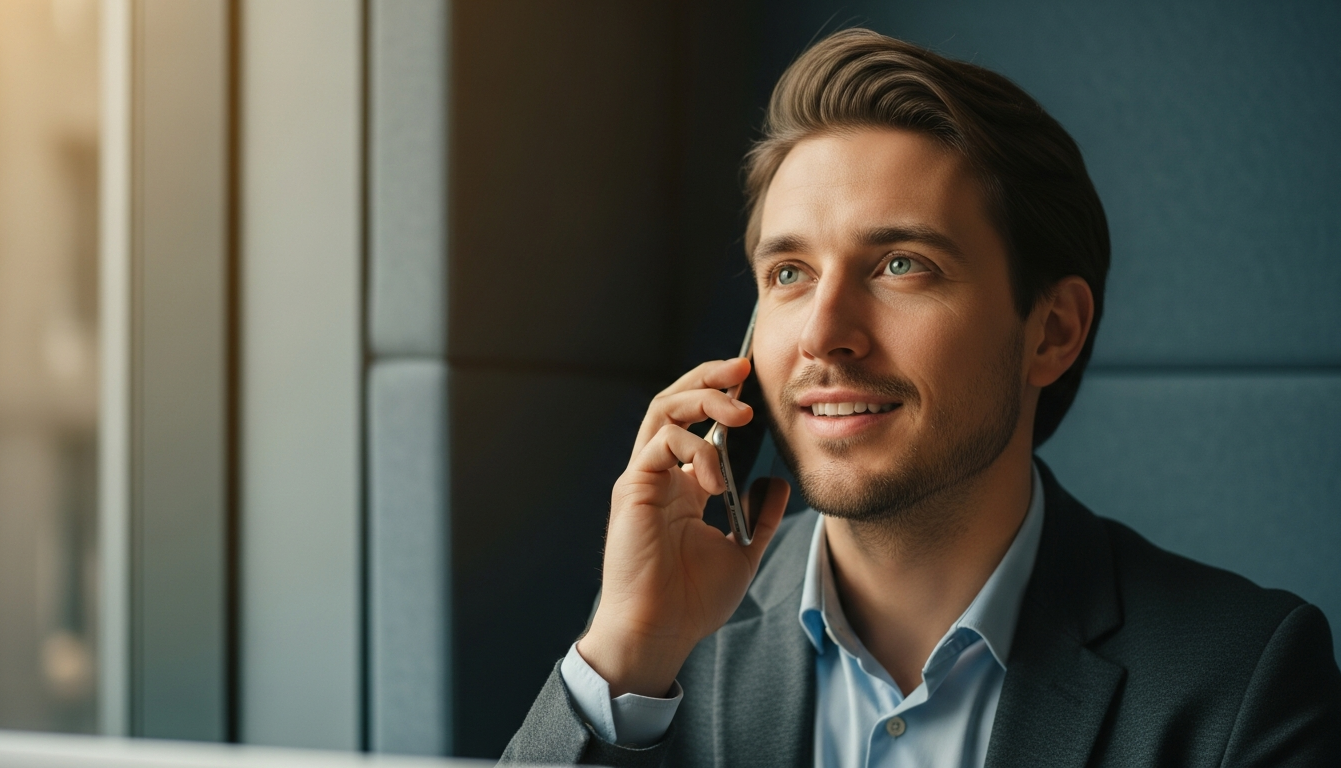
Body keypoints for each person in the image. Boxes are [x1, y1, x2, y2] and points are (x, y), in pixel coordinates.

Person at [499, 29, 1341, 767]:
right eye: (788, 274)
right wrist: (625, 655)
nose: (824, 332)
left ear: (1050, 332)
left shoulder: (1240, 681)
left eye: (902, 264)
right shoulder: (663, 652)